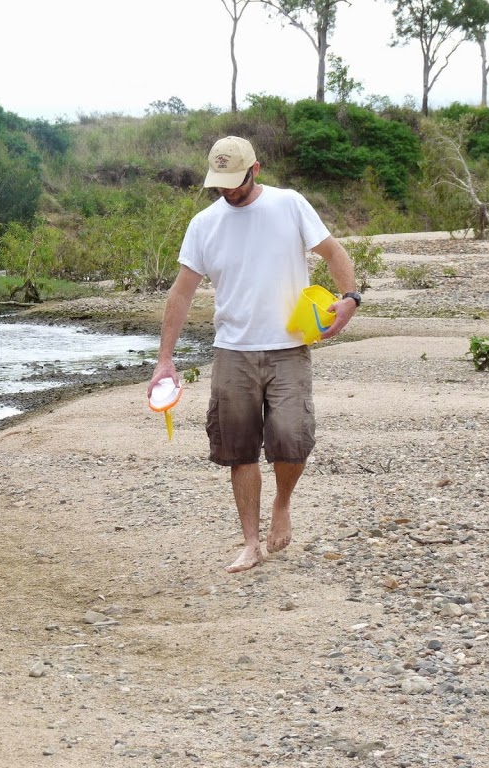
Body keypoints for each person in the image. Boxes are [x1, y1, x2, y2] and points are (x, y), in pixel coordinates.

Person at [148, 135, 360, 573]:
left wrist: (350, 297)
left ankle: (282, 504)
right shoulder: (204, 224)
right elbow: (182, 293)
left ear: (255, 170)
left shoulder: (289, 204)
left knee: (291, 437)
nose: (228, 191)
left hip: (288, 346)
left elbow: (332, 250)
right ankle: (250, 542)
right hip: (232, 352)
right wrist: (164, 360)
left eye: (236, 181)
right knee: (238, 450)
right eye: (220, 183)